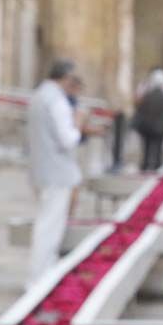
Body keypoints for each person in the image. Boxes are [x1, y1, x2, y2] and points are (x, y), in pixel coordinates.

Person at [26, 59, 102, 285]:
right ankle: (38, 279)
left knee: (46, 224)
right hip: (57, 172)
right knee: (49, 227)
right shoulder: (57, 101)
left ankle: (43, 274)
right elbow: (68, 139)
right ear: (66, 79)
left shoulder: (39, 95)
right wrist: (78, 121)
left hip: (42, 170)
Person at [133, 69, 163, 171]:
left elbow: (140, 111)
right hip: (160, 127)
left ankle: (145, 165)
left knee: (147, 147)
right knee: (159, 148)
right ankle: (157, 165)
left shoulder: (147, 96)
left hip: (147, 126)